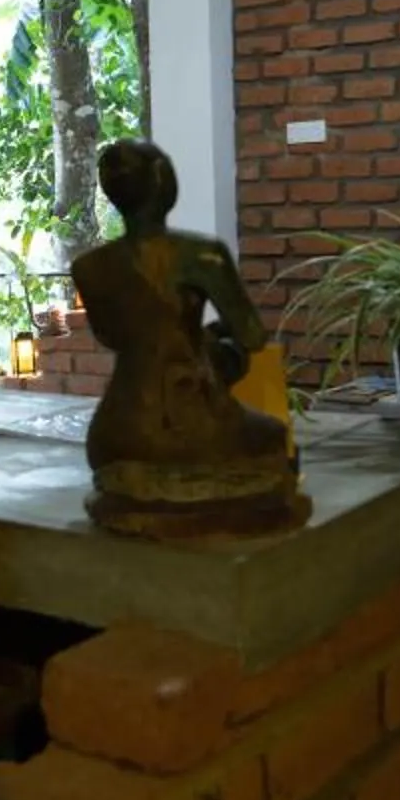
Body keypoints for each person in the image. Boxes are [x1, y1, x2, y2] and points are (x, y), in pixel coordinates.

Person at [69, 140, 305, 536]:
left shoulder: (90, 268)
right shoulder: (202, 255)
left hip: (116, 430)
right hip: (186, 419)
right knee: (272, 436)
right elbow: (251, 335)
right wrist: (213, 343)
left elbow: (113, 337)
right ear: (162, 180)